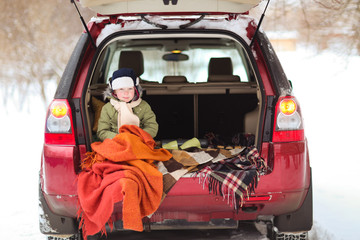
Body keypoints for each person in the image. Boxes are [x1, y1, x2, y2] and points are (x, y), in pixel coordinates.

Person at [97, 68, 158, 141]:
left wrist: (138, 137)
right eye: (121, 89)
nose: (126, 93)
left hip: (140, 141)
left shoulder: (144, 106)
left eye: (130, 89)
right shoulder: (107, 108)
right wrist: (121, 138)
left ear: (135, 90)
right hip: (116, 142)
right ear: (114, 91)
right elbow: (102, 132)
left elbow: (152, 127)